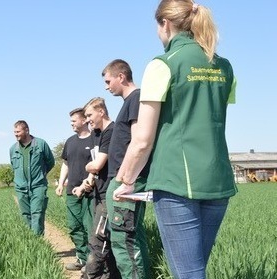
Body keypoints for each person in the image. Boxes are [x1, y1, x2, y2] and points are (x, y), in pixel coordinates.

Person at [114, 1, 237, 278]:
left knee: (188, 274)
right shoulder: (225, 67)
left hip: (177, 182)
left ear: (165, 24)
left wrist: (127, 181)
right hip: (217, 181)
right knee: (195, 271)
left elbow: (142, 140)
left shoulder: (163, 64)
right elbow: (209, 117)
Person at [101, 59, 151, 279]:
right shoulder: (129, 101)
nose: (106, 86)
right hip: (124, 178)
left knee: (124, 239)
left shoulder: (136, 99)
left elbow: (139, 140)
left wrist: (125, 178)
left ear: (121, 76)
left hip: (127, 179)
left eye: (108, 80)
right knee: (130, 236)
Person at [81, 97, 119, 279]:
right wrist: (89, 180)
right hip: (100, 191)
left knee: (98, 241)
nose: (87, 119)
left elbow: (96, 165)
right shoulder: (98, 133)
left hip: (110, 194)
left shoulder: (112, 131)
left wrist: (89, 168)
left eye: (89, 115)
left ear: (101, 111)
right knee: (105, 242)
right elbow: (96, 168)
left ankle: (89, 276)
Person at [55, 108, 94, 271]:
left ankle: (93, 262)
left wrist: (87, 185)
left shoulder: (95, 140)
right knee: (74, 226)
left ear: (84, 120)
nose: (71, 124)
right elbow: (66, 163)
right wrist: (60, 183)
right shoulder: (70, 141)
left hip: (90, 192)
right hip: (72, 191)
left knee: (90, 226)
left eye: (73, 121)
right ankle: (81, 258)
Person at [9, 120, 55, 236]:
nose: (16, 134)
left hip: (38, 186)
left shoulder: (40, 144)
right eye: (14, 132)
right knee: (25, 215)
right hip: (21, 187)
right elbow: (14, 167)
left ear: (26, 130)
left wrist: (41, 174)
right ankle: (30, 241)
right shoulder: (13, 149)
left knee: (37, 214)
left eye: (18, 131)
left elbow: (50, 162)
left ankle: (37, 242)